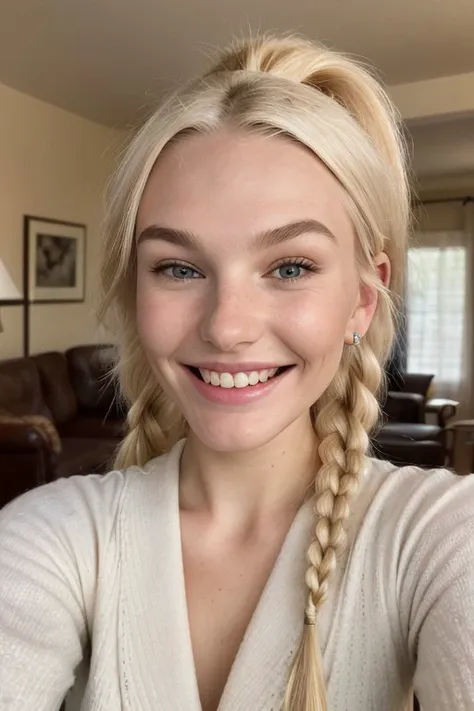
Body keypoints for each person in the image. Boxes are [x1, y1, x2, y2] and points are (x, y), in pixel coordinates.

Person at [0, 33, 473, 711]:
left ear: (362, 300)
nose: (227, 326)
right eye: (179, 268)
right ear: (136, 292)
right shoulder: (49, 538)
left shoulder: (439, 536)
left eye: (290, 267)